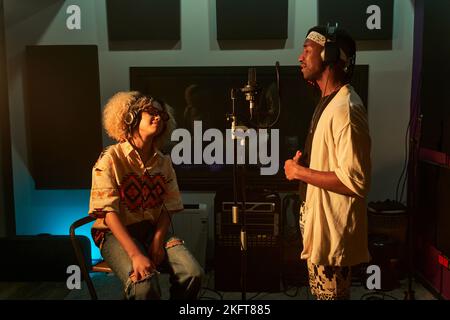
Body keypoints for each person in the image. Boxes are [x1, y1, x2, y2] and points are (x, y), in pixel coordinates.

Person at [284, 25, 371, 300]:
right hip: (319, 227)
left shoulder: (346, 109)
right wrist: (306, 165)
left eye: (307, 51)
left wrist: (300, 172)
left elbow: (355, 181)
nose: (300, 57)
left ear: (330, 56)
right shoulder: (328, 102)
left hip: (333, 236)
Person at [88, 91, 204, 300]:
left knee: (193, 272)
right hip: (114, 233)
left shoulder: (164, 162)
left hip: (150, 230)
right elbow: (107, 213)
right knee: (144, 287)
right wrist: (135, 254)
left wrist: (158, 241)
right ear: (130, 116)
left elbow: (169, 206)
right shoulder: (110, 158)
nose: (158, 117)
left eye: (162, 115)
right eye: (151, 111)